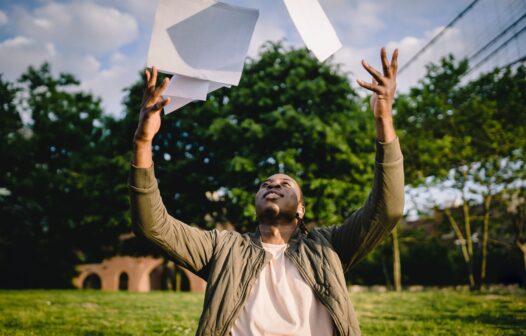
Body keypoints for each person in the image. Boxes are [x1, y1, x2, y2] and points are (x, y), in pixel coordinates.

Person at [129, 47, 404, 336]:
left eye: (285, 184)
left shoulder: (330, 247)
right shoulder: (224, 249)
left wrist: (383, 120)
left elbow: (387, 210)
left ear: (301, 208)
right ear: (256, 204)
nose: (272, 185)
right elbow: (153, 226)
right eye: (265, 185)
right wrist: (143, 142)